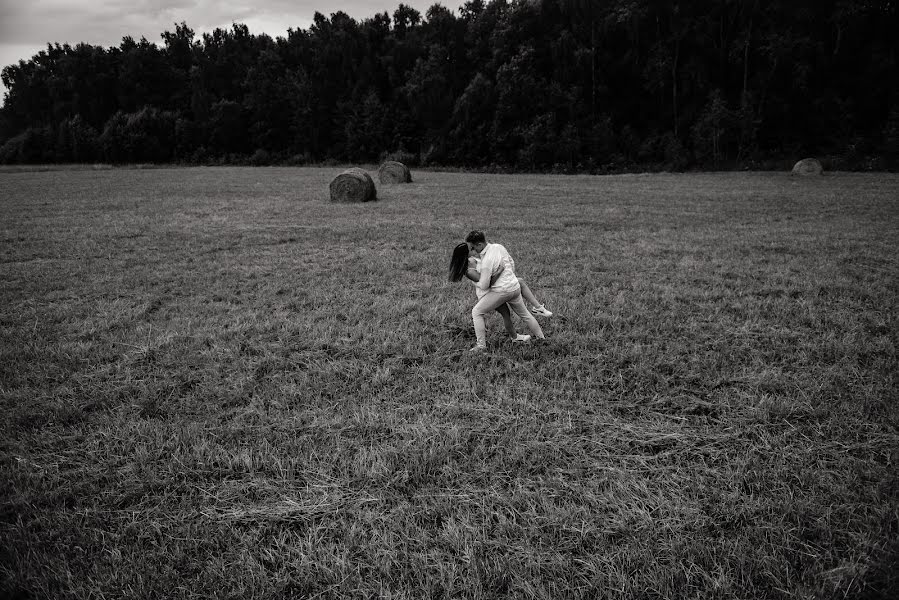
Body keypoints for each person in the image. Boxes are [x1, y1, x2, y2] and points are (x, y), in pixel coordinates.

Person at [449, 231, 547, 352]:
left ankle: (519, 337)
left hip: (497, 290)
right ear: (466, 254)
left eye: (472, 247)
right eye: (470, 248)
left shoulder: (475, 259)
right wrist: (500, 271)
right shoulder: (468, 270)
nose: (472, 250)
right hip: (488, 293)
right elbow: (486, 283)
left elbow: (489, 261)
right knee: (477, 312)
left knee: (507, 314)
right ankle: (481, 345)